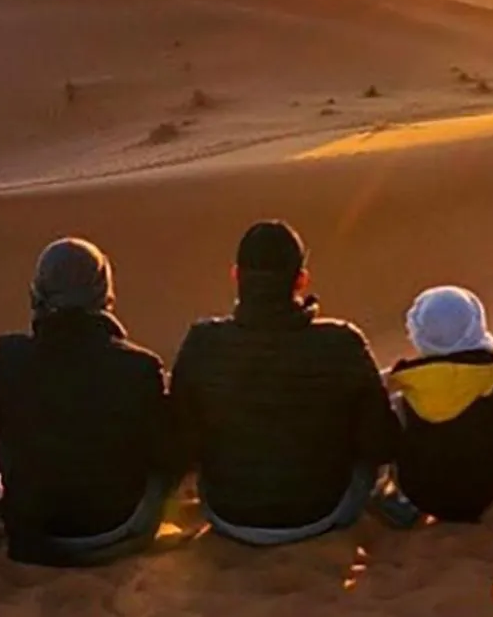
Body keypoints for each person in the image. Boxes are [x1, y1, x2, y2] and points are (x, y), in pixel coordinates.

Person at [171, 220, 399, 546]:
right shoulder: (342, 343)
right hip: (323, 513)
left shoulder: (202, 342)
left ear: (236, 275)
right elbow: (379, 443)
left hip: (228, 514)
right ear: (301, 280)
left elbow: (182, 441)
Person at [0, 237, 179, 566]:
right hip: (116, 528)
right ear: (105, 295)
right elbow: (167, 453)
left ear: (36, 295)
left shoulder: (9, 358)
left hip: (33, 534)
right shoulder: (139, 367)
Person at [383, 286, 493, 523]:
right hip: (489, 486)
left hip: (421, 494)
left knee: (393, 408)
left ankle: (402, 502)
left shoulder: (408, 381)